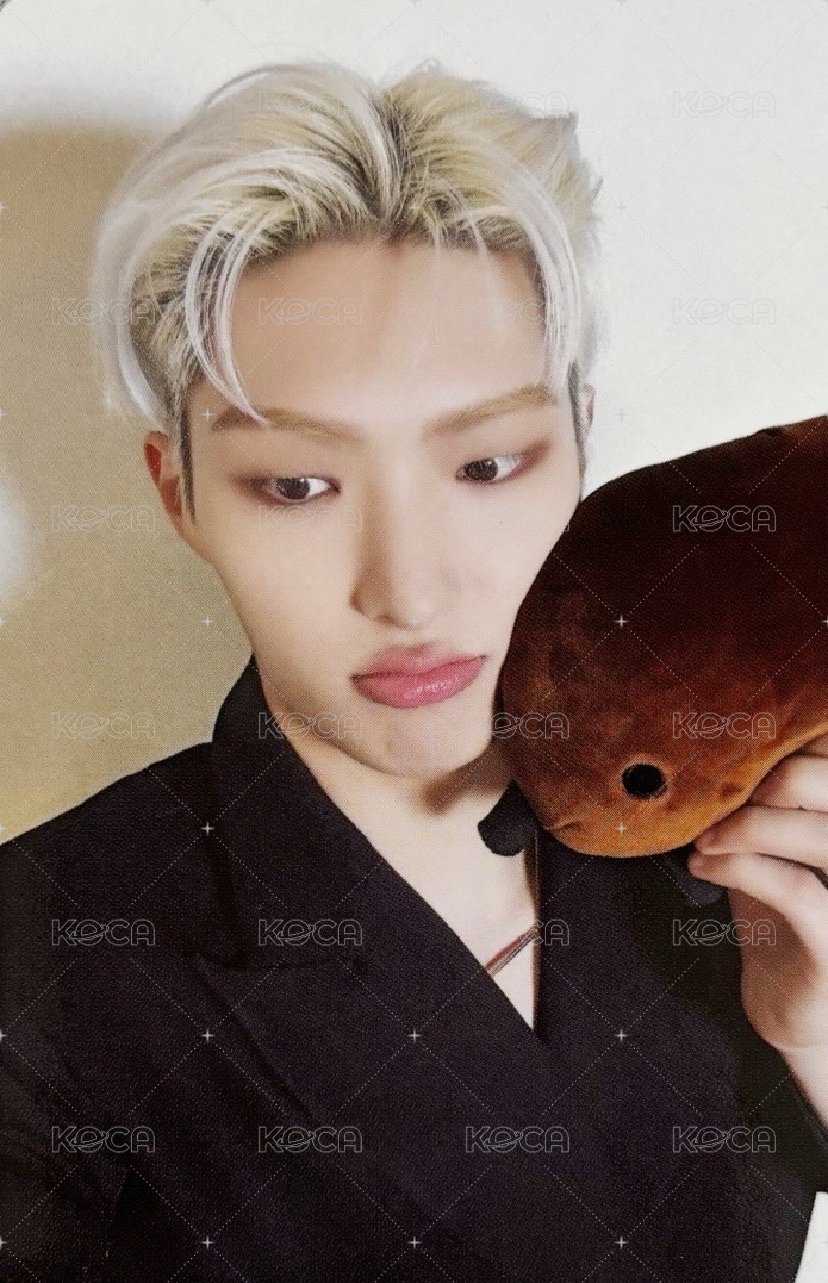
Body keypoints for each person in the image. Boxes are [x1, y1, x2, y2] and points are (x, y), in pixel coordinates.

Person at [1, 59, 826, 1282]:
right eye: (297, 484)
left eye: (486, 465)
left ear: (581, 436)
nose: (410, 589)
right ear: (181, 495)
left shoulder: (742, 842)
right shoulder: (42, 964)